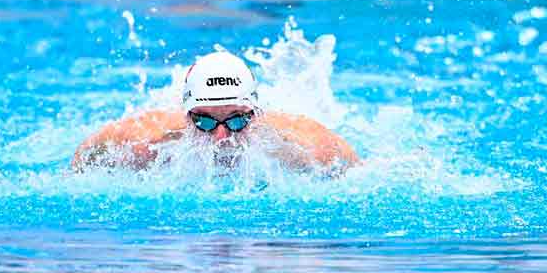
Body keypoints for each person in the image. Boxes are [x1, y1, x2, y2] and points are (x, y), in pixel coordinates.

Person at [72, 51, 359, 173]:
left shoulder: (305, 145)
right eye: (205, 122)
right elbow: (82, 161)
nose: (222, 137)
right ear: (186, 116)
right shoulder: (145, 139)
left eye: (236, 121)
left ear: (256, 114)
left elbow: (359, 175)